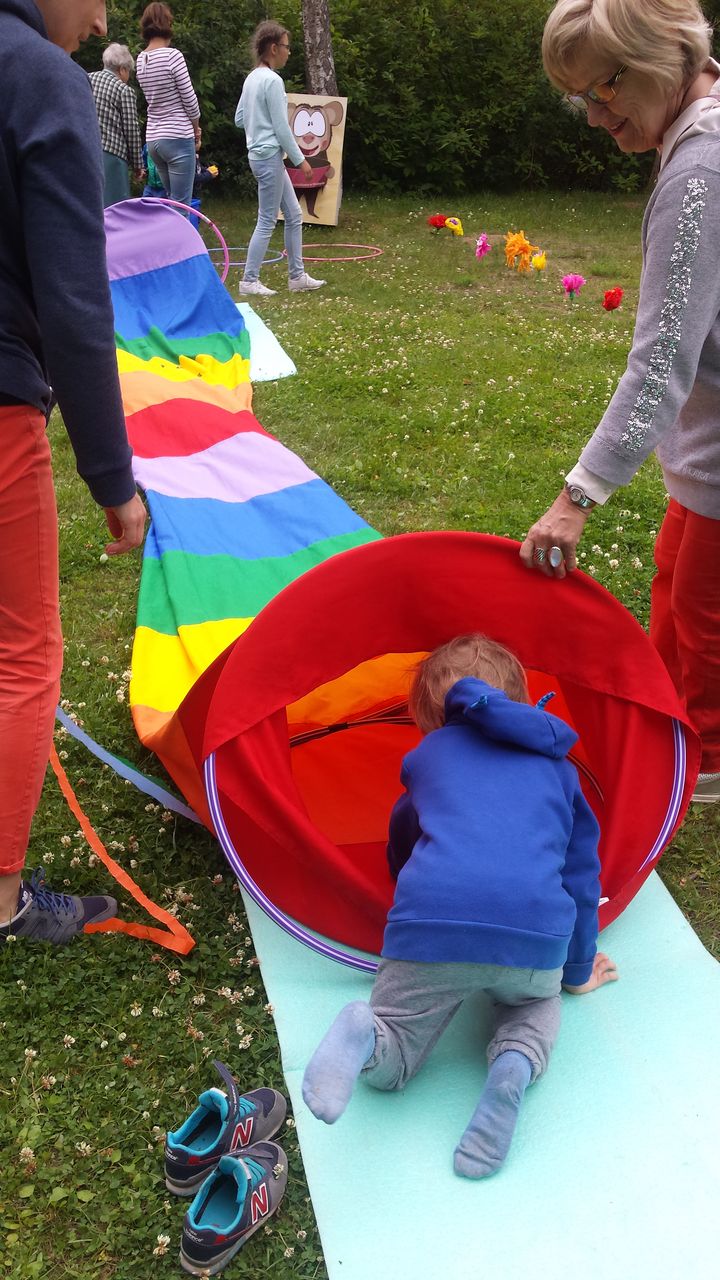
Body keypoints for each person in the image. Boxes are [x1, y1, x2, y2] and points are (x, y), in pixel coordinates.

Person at [302, 635, 617, 1178]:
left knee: (397, 1049)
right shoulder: (560, 768)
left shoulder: (428, 756)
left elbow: (405, 830)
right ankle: (514, 1063)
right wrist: (577, 969)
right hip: (533, 938)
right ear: (521, 700)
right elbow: (581, 878)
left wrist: (406, 882)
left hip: (432, 927)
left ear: (431, 718)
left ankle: (367, 1032)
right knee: (534, 1010)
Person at [520, 0, 720, 805]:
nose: (597, 117)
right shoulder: (698, 135)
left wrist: (577, 498)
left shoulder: (701, 172)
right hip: (704, 451)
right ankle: (666, 728)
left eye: (604, 90)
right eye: (582, 99)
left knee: (703, 619)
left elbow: (664, 357)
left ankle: (702, 764)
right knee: (676, 587)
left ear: (664, 56)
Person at [0, 0, 147, 945]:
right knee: (23, 655)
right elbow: (74, 302)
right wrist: (112, 477)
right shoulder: (38, 75)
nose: (98, 21)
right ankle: (2, 900)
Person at [234, 20, 326, 296]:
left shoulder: (252, 78)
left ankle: (297, 276)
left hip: (262, 156)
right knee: (267, 220)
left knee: (294, 214)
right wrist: (301, 160)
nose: (289, 51)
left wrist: (256, 125)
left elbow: (239, 118)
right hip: (268, 157)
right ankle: (249, 280)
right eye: (286, 46)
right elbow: (282, 128)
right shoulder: (273, 81)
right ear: (273, 48)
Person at [136, 3, 201, 211]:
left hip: (154, 140)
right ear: (167, 24)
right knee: (182, 208)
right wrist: (196, 129)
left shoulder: (141, 59)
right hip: (177, 137)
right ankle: (181, 235)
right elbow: (190, 100)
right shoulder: (173, 56)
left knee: (170, 203)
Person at [89, 42, 143, 207]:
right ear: (122, 69)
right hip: (111, 155)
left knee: (90, 201)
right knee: (114, 207)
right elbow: (131, 131)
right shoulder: (124, 91)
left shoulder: (86, 79)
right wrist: (138, 165)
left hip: (85, 149)